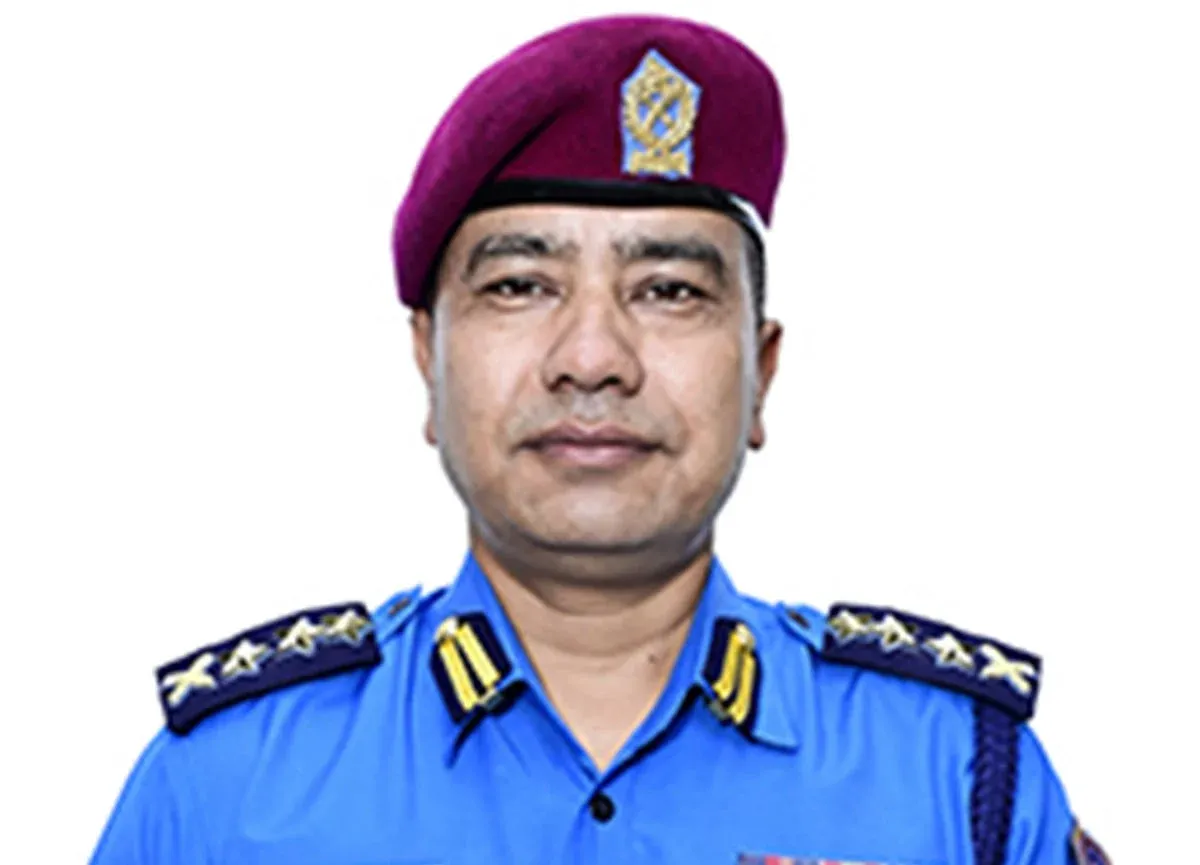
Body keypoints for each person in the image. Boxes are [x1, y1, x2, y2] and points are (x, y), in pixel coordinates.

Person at [89, 14, 1109, 865]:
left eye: (668, 290)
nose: (591, 357)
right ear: (428, 363)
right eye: (520, 285)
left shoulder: (958, 776)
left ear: (760, 372)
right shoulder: (224, 789)